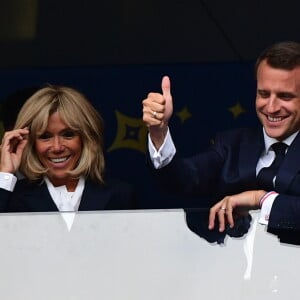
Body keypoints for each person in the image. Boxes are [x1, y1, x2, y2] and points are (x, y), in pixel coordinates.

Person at [142, 41, 300, 244]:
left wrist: (259, 199)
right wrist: (158, 131)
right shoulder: (232, 144)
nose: (271, 107)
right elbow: (184, 179)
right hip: (235, 271)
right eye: (263, 94)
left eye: (285, 96)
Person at [0, 84, 137, 212]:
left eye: (68, 135)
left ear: (86, 138)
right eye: (45, 136)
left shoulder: (120, 194)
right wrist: (5, 173)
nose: (57, 147)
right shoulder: (12, 196)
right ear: (30, 143)